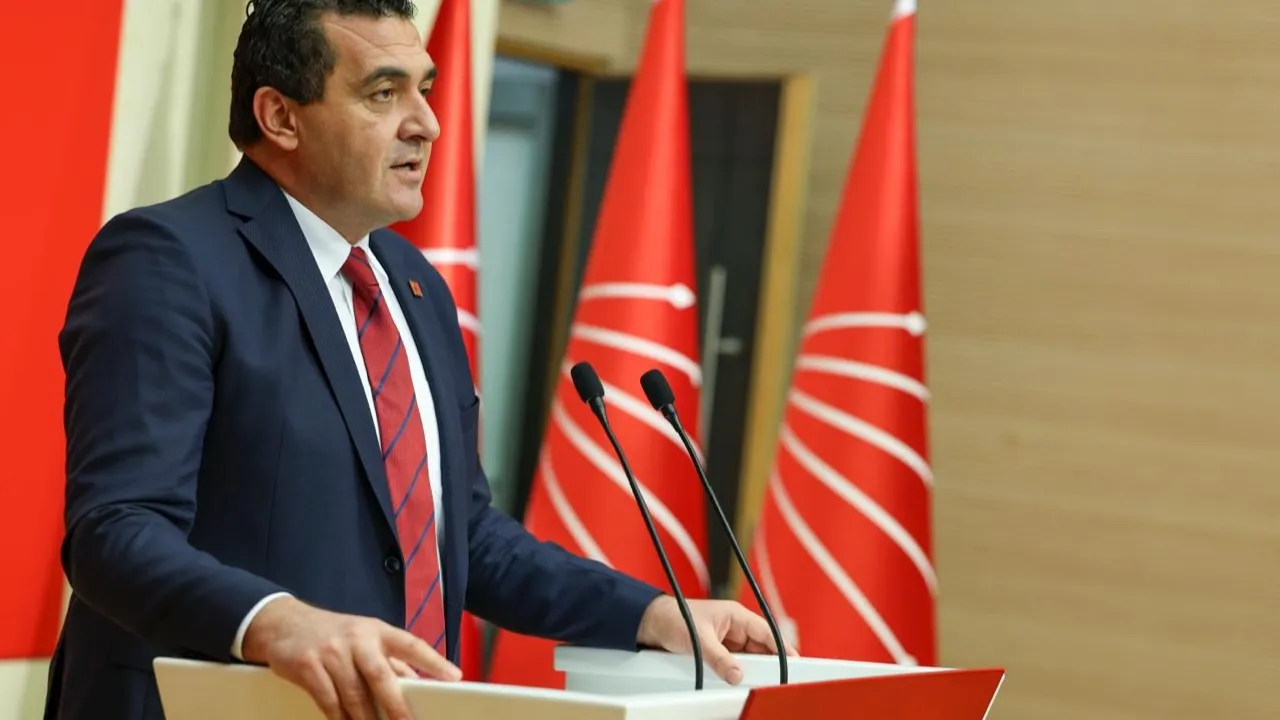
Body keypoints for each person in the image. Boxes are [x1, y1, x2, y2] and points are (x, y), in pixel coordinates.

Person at [44, 1, 792, 719]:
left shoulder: (413, 284)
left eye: (424, 90)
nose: (426, 124)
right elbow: (117, 530)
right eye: (383, 93)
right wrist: (277, 622)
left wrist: (650, 613)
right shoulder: (168, 260)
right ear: (280, 117)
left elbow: (462, 535)